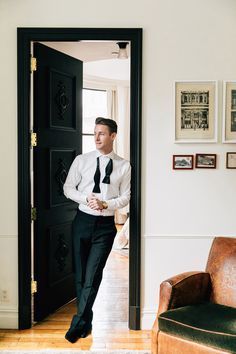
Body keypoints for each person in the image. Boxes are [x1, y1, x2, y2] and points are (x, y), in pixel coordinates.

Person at [63, 117, 131, 343]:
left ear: (113, 136)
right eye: (95, 133)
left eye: (102, 133)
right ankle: (86, 322)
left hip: (105, 226)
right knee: (81, 275)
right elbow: (68, 188)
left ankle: (77, 324)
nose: (97, 137)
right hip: (82, 221)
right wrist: (86, 198)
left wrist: (105, 204)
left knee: (93, 275)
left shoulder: (123, 165)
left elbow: (126, 197)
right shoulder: (81, 161)